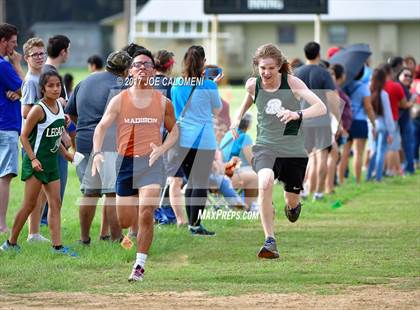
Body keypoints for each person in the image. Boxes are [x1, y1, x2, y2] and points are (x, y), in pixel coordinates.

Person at [231, 43, 327, 259]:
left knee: (291, 201)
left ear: (280, 67)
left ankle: (292, 207)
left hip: (293, 150)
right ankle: (269, 240)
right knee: (264, 183)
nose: (266, 72)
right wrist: (236, 119)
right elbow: (247, 101)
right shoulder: (252, 85)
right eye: (262, 68)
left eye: (271, 68)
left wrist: (297, 114)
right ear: (257, 66)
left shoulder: (292, 82)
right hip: (266, 146)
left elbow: (320, 107)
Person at [91, 48, 179, 281]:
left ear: (153, 71)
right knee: (126, 220)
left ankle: (139, 265)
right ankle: (132, 235)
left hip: (151, 163)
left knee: (147, 212)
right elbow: (101, 127)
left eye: (147, 65)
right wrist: (97, 152)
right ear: (130, 71)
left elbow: (174, 131)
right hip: (125, 163)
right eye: (138, 65)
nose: (142, 68)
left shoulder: (163, 102)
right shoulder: (120, 100)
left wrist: (162, 148)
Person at [0, 71, 76, 255]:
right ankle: (10, 243)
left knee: (55, 203)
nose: (56, 88)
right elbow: (24, 137)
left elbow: (54, 136)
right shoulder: (38, 109)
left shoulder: (59, 105)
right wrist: (33, 159)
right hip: (36, 163)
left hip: (51, 164)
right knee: (29, 204)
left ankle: (57, 247)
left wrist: (66, 153)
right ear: (43, 88)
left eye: (58, 85)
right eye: (51, 85)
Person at [66, 51, 132, 244]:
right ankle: (116, 238)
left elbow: (72, 113)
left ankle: (84, 239)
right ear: (126, 69)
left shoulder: (86, 81)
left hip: (84, 141)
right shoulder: (123, 85)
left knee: (90, 192)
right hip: (109, 143)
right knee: (112, 193)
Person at [169, 45, 222, 236]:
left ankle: (192, 224)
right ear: (203, 63)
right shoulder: (209, 84)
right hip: (203, 139)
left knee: (191, 181)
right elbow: (216, 110)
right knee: (200, 182)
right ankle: (195, 225)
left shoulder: (176, 84)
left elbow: (174, 109)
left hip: (182, 139)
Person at [295, 41, 339, 200]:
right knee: (321, 157)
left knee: (303, 156)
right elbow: (332, 98)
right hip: (322, 120)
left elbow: (291, 97)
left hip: (302, 119)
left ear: (305, 54)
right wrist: (337, 118)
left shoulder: (297, 72)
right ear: (319, 54)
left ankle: (302, 189)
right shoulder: (324, 73)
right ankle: (319, 193)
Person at [20, 37, 51, 242]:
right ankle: (27, 234)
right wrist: (47, 108)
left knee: (40, 193)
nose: (40, 57)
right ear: (26, 58)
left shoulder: (43, 77)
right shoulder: (31, 81)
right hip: (32, 142)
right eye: (35, 54)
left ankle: (35, 232)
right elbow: (25, 112)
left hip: (43, 141)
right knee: (33, 194)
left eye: (42, 53)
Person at [40, 35, 74, 224]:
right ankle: (44, 222)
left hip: (54, 138)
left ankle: (43, 222)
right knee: (55, 187)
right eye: (68, 50)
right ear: (63, 52)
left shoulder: (47, 72)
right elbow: (47, 110)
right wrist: (64, 133)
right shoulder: (51, 75)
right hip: (53, 140)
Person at [0, 23, 23, 234]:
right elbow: (27, 89)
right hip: (6, 125)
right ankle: (1, 225)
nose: (15, 47)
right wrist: (17, 64)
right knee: (5, 177)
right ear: (3, 41)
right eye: (13, 42)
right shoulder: (4, 65)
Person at [338, 67, 376, 184]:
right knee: (358, 153)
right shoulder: (364, 87)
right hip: (360, 122)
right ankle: (358, 180)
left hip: (347, 122)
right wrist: (374, 123)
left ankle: (341, 180)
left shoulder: (344, 86)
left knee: (345, 152)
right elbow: (368, 107)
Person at [220, 113, 258, 208]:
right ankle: (250, 206)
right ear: (249, 125)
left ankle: (240, 201)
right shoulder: (245, 137)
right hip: (230, 171)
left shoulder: (228, 134)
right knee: (257, 174)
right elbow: (251, 160)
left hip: (224, 169)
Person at [326, 64, 352, 194]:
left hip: (334, 127)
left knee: (335, 155)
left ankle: (330, 184)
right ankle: (328, 186)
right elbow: (335, 109)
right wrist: (339, 126)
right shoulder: (331, 89)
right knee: (332, 155)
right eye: (329, 75)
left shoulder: (333, 88)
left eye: (332, 75)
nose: (331, 77)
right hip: (330, 127)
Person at [367, 68, 395, 181]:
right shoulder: (383, 94)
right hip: (383, 125)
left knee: (373, 150)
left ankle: (369, 175)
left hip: (372, 124)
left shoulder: (368, 92)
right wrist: (391, 131)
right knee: (381, 151)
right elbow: (388, 115)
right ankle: (378, 176)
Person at [382, 63, 408, 176]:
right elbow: (404, 104)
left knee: (381, 146)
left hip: (379, 119)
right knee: (392, 146)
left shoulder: (376, 85)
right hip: (392, 119)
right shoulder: (396, 86)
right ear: (389, 72)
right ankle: (390, 170)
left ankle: (381, 170)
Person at [397, 68, 416, 174]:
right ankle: (408, 167)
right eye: (405, 75)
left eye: (410, 76)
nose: (408, 78)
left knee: (407, 144)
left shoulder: (404, 88)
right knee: (406, 144)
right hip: (402, 120)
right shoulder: (400, 87)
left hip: (404, 119)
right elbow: (403, 105)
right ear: (399, 75)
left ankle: (408, 167)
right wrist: (412, 101)